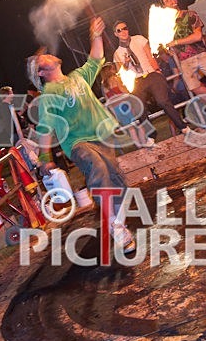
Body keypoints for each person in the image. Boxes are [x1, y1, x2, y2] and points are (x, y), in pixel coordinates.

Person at [26, 17, 135, 253]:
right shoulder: (49, 94)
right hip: (78, 143)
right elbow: (46, 128)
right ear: (42, 72)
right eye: (41, 60)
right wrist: (45, 159)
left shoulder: (77, 76)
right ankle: (117, 229)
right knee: (98, 169)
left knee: (118, 181)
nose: (47, 55)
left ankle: (117, 224)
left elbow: (95, 60)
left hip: (102, 136)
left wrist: (95, 35)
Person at [112, 20, 191, 136]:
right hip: (136, 81)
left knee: (163, 101)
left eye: (125, 28)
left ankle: (183, 127)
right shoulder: (117, 53)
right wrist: (126, 63)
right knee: (141, 110)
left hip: (150, 74)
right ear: (115, 34)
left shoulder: (138, 39)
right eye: (119, 30)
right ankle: (151, 136)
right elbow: (121, 72)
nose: (123, 32)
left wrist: (158, 71)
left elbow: (149, 55)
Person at [100, 62, 154, 149]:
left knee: (130, 129)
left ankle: (139, 147)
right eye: (112, 68)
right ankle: (145, 142)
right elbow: (124, 91)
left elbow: (108, 101)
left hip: (116, 109)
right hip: (125, 106)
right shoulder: (116, 79)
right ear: (109, 71)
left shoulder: (103, 85)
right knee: (139, 124)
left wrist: (114, 114)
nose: (114, 70)